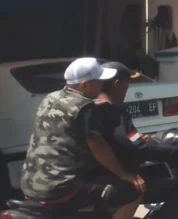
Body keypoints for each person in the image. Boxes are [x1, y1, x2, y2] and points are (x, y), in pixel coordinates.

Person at [20, 58, 145, 219]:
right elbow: (99, 148)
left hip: (31, 183)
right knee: (132, 191)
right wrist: (124, 174)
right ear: (84, 85)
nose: (102, 84)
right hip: (62, 187)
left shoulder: (50, 98)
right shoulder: (85, 109)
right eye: (99, 81)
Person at [92, 62, 178, 206]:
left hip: (99, 176)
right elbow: (140, 148)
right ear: (117, 84)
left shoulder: (91, 109)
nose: (128, 88)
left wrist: (140, 141)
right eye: (127, 83)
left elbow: (129, 141)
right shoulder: (115, 114)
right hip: (116, 179)